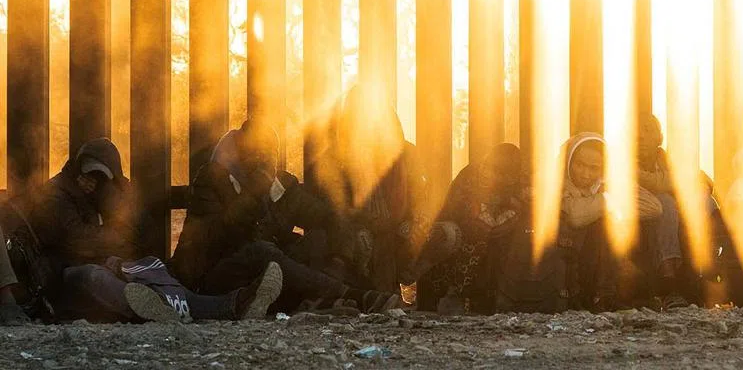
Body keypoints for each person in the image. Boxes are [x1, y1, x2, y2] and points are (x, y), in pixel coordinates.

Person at [1, 138, 281, 323]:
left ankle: (235, 304)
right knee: (94, 276)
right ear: (76, 169)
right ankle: (159, 312)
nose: (89, 180)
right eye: (87, 173)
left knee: (154, 273)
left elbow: (141, 234)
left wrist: (118, 197)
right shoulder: (56, 195)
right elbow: (80, 243)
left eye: (100, 177)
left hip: (109, 265)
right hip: (61, 281)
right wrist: (117, 230)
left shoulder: (100, 195)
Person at [170, 120, 395, 314]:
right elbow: (208, 238)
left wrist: (338, 262)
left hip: (273, 274)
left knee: (316, 240)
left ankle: (318, 299)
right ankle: (353, 296)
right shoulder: (212, 179)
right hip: (221, 275)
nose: (262, 158)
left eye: (268, 153)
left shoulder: (282, 185)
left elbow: (330, 218)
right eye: (255, 150)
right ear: (240, 151)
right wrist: (252, 196)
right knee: (261, 252)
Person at [307, 87, 429, 295]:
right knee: (358, 239)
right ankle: (358, 293)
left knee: (437, 234)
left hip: (399, 228)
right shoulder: (337, 156)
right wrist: (366, 222)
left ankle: (399, 288)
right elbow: (332, 206)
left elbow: (421, 197)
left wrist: (414, 224)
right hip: (357, 232)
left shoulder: (406, 152)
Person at [412, 143, 528, 313]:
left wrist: (507, 216)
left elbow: (524, 208)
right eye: (488, 167)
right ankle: (452, 296)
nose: (488, 174)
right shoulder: (469, 176)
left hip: (502, 245)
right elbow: (453, 208)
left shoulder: (520, 183)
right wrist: (478, 220)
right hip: (459, 235)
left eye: (499, 172)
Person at [559, 133, 663, 311]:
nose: (585, 174)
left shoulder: (604, 183)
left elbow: (654, 207)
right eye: (579, 165)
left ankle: (627, 293)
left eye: (594, 168)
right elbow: (575, 217)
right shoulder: (558, 183)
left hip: (601, 259)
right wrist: (608, 199)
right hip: (566, 261)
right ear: (569, 161)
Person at [635, 113, 708, 309]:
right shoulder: (623, 164)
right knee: (666, 203)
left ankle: (706, 277)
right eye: (634, 131)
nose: (640, 136)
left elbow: (703, 181)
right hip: (638, 223)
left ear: (659, 138)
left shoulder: (667, 159)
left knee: (702, 203)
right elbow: (653, 182)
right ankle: (669, 283)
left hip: (670, 225)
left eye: (647, 130)